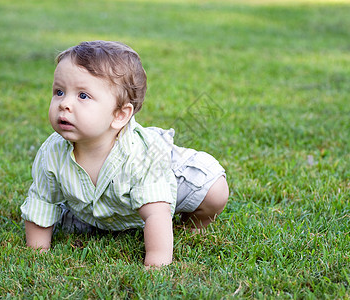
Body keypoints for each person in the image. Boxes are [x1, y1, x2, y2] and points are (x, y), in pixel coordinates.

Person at [21, 40, 229, 267]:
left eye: (83, 96)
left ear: (120, 115)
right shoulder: (52, 151)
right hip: (100, 208)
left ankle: (192, 226)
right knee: (65, 221)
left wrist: (156, 266)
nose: (64, 104)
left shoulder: (144, 155)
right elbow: (43, 201)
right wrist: (37, 254)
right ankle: (105, 223)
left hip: (167, 184)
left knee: (214, 191)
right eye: (59, 92)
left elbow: (156, 213)